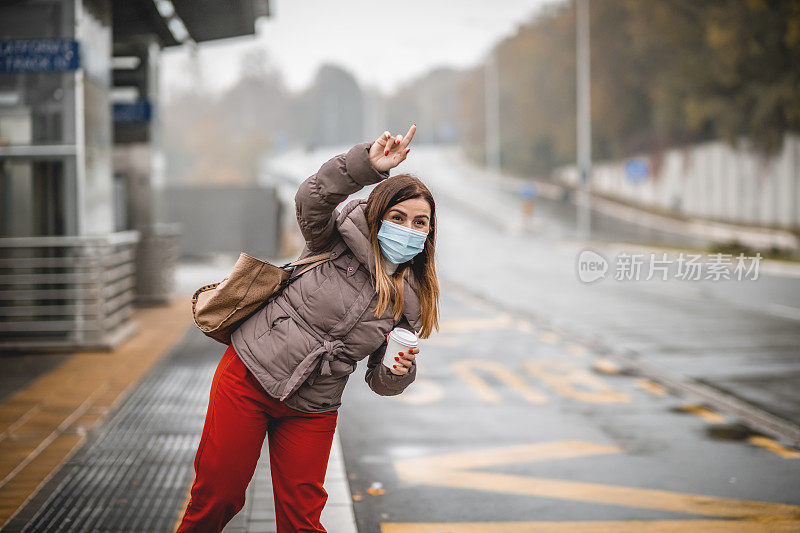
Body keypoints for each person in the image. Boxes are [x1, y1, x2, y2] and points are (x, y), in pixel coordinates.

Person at [177, 124, 440, 532]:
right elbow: (311, 197)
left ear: (428, 232)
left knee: (303, 520)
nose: (408, 229)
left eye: (419, 223)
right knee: (218, 496)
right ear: (378, 217)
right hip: (249, 376)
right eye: (398, 217)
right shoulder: (335, 238)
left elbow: (379, 379)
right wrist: (366, 165)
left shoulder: (412, 296)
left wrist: (398, 372)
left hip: (314, 407)